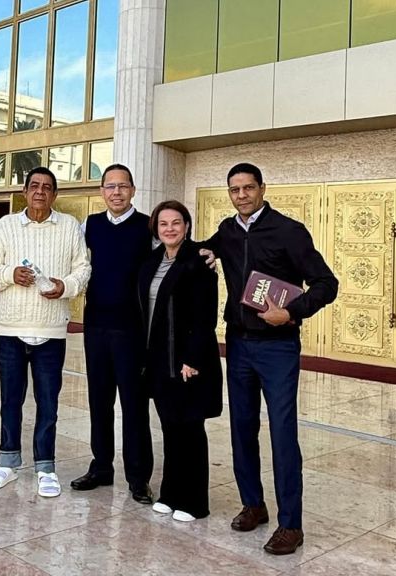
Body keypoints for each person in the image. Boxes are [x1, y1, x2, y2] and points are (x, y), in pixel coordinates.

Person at [206, 163, 338, 554]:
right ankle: (253, 504)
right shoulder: (227, 231)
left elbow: (327, 283)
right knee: (242, 428)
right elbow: (203, 248)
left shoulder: (288, 231)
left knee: (282, 432)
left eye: (248, 188)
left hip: (278, 347)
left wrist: (292, 311)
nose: (242, 195)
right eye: (235, 190)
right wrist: (204, 253)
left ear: (262, 188)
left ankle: (291, 525)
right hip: (238, 344)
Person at [0, 166, 91, 498]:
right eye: (34, 186)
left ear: (54, 194)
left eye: (46, 187)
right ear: (24, 191)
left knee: (48, 402)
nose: (40, 192)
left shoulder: (69, 226)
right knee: (10, 399)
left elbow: (83, 268)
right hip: (11, 328)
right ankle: (7, 461)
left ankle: (46, 466)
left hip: (51, 329)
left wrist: (65, 286)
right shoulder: (6, 225)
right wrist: (11, 274)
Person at [70, 164, 155, 504]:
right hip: (96, 327)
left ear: (133, 190)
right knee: (99, 400)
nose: (116, 192)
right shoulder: (89, 225)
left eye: (123, 186)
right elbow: (73, 261)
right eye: (110, 186)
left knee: (134, 405)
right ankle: (101, 467)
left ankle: (138, 477)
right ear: (102, 191)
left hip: (132, 330)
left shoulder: (148, 226)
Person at [138, 200, 223, 522]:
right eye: (163, 224)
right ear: (156, 229)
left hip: (187, 360)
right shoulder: (151, 262)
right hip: (158, 359)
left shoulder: (199, 261)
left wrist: (192, 358)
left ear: (186, 226)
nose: (170, 228)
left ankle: (194, 502)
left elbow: (205, 316)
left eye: (176, 222)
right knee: (170, 427)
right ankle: (170, 493)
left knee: (190, 429)